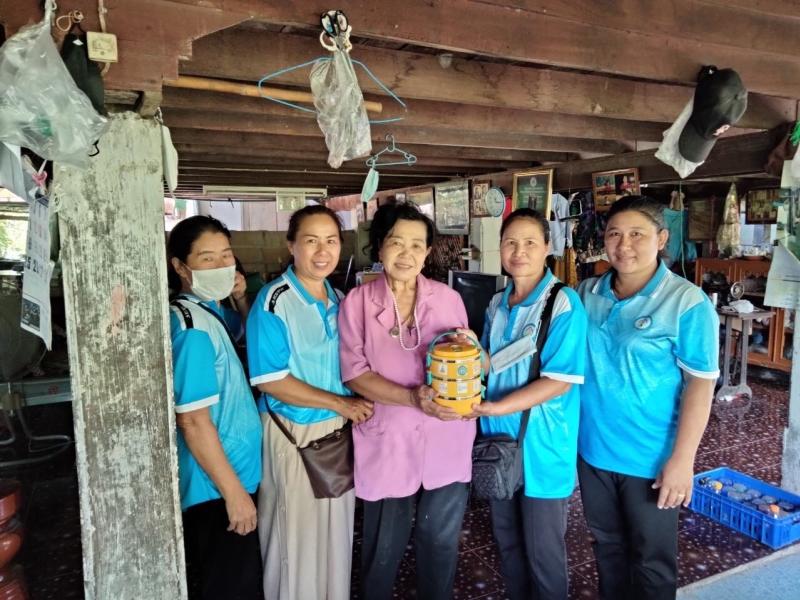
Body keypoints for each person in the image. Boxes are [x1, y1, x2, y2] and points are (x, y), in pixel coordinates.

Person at [577, 196, 719, 600]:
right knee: (608, 549)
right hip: (593, 451)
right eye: (614, 234)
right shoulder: (587, 292)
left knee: (651, 562)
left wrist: (683, 460)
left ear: (661, 238)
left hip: (651, 458)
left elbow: (700, 385)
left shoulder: (686, 302)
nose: (624, 245)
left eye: (637, 234)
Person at [338, 202, 476, 600]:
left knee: (440, 542)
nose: (407, 254)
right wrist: (411, 398)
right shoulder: (358, 302)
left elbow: (469, 360)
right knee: (384, 546)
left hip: (446, 434)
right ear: (380, 246)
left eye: (417, 245)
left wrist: (476, 352)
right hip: (388, 439)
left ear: (428, 252)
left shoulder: (448, 298)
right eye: (397, 242)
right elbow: (355, 374)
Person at [246, 204, 374, 600]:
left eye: (331, 241)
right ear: (292, 246)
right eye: (311, 241)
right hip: (295, 432)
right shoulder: (274, 301)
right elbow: (271, 381)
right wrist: (341, 404)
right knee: (295, 539)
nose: (323, 251)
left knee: (335, 533)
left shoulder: (339, 298)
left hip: (335, 431)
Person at [466, 208, 587, 600]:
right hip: (498, 443)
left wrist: (498, 408)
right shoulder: (497, 303)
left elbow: (559, 382)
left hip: (542, 447)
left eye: (530, 242)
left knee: (542, 554)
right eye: (511, 243)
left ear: (547, 246)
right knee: (509, 545)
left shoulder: (562, 303)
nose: (519, 252)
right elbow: (491, 362)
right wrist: (466, 352)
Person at [167, 215, 263, 599]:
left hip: (230, 477)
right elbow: (192, 421)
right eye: (207, 258)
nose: (222, 264)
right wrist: (234, 494)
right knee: (231, 586)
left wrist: (238, 298)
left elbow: (246, 335)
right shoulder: (191, 328)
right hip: (216, 488)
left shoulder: (206, 311)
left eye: (226, 254)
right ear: (180, 266)